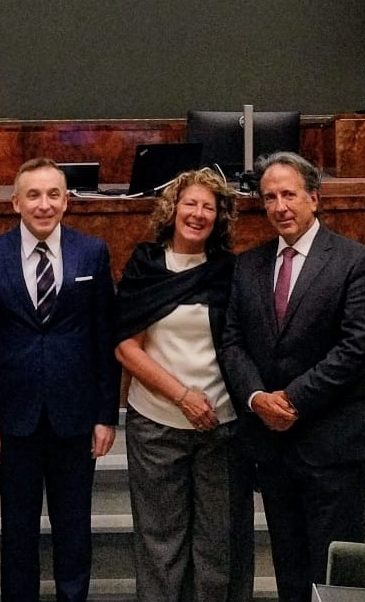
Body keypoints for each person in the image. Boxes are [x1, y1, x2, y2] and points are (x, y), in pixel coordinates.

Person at [219, 152, 365, 602]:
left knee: (335, 576)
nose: (279, 206)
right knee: (289, 573)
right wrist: (257, 398)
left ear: (314, 198)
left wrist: (291, 401)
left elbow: (354, 349)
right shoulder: (248, 265)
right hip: (274, 450)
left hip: (334, 442)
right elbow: (232, 342)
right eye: (269, 197)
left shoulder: (354, 261)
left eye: (289, 194)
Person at [0, 159, 119, 602]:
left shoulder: (91, 252)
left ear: (67, 201)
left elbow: (104, 338)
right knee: (17, 531)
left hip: (74, 418)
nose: (44, 204)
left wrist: (105, 415)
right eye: (33, 195)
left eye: (53, 194)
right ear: (15, 202)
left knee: (74, 528)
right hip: (12, 419)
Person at [114, 168, 254, 602]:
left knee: (220, 544)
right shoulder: (146, 265)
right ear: (172, 209)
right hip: (157, 426)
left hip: (221, 428)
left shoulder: (230, 271)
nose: (197, 214)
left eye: (208, 208)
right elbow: (125, 348)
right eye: (189, 204)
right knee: (160, 543)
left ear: (219, 217)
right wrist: (182, 396)